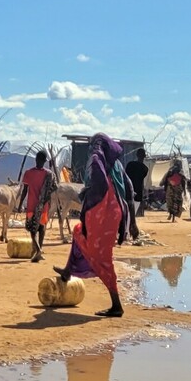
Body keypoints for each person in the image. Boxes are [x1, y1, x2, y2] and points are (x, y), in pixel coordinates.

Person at [54, 133, 138, 317]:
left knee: (102, 257)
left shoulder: (96, 159)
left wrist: (87, 196)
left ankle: (116, 305)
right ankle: (68, 270)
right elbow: (129, 188)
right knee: (78, 232)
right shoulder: (115, 164)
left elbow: (98, 183)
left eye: (93, 145)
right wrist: (132, 221)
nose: (92, 148)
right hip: (114, 212)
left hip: (101, 211)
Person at [17, 149, 57, 262]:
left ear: (36, 159)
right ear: (45, 161)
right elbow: (53, 189)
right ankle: (39, 250)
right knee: (41, 228)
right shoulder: (49, 174)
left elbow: (25, 190)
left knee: (32, 229)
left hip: (32, 205)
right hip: (43, 206)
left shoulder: (28, 173)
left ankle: (37, 250)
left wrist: (20, 204)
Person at [124, 148, 149, 217]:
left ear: (137, 155)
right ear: (145, 156)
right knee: (133, 214)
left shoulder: (130, 164)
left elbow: (125, 177)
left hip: (128, 192)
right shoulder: (145, 169)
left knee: (127, 213)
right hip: (138, 193)